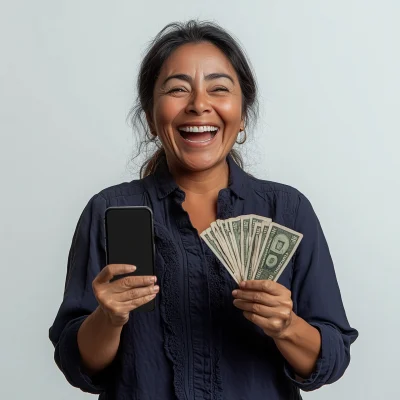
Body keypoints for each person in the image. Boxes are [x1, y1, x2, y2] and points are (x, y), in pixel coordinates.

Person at [49, 19, 358, 400]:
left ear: (242, 114)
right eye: (178, 89)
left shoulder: (287, 209)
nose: (198, 105)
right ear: (150, 116)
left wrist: (285, 326)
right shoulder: (108, 210)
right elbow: (80, 366)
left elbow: (332, 359)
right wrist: (108, 319)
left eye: (219, 89)